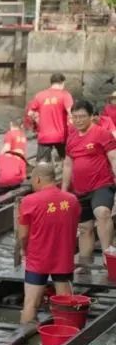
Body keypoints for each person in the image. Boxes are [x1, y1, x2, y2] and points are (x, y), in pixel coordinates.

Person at [18, 163, 80, 324]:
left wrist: (24, 250)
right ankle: (66, 336)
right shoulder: (72, 200)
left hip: (37, 259)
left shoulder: (29, 201)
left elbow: (23, 235)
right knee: (66, 304)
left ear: (37, 178)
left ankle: (25, 341)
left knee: (30, 304)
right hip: (63, 258)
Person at [62, 100, 116, 265]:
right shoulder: (71, 139)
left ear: (92, 116)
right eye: (75, 117)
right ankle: (85, 264)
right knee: (84, 228)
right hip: (80, 190)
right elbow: (67, 164)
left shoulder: (102, 134)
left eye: (82, 117)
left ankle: (108, 255)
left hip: (101, 185)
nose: (78, 120)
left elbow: (113, 158)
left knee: (102, 213)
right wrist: (64, 190)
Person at [27, 73, 74, 164]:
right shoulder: (65, 95)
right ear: (62, 83)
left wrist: (37, 121)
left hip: (44, 135)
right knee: (67, 162)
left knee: (42, 164)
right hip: (61, 135)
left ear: (51, 83)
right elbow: (71, 113)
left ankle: (43, 177)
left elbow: (30, 113)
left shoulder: (40, 95)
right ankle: (64, 177)